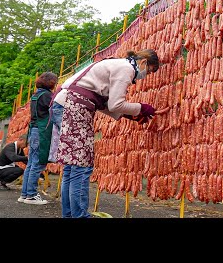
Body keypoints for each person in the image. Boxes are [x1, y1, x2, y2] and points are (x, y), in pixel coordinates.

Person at [53, 49, 158, 218]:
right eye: (150, 71)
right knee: (81, 164)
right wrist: (142, 108)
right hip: (75, 106)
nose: (146, 76)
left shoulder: (115, 64)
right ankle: (79, 216)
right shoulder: (126, 68)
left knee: (72, 166)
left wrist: (131, 115)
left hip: (65, 104)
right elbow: (116, 104)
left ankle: (70, 215)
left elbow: (105, 104)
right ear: (144, 62)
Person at [19, 72, 58, 204]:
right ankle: (31, 195)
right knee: (37, 163)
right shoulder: (47, 95)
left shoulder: (36, 95)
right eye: (55, 81)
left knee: (31, 163)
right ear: (51, 82)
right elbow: (55, 111)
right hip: (41, 131)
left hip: (33, 130)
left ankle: (24, 194)